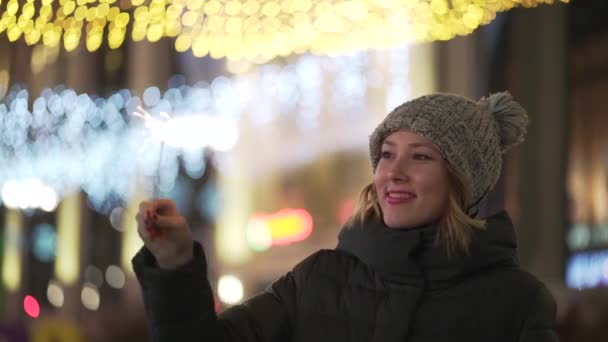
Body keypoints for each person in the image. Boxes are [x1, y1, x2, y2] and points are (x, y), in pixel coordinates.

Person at [133, 92, 558, 342]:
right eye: (387, 154)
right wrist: (174, 266)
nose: (394, 171)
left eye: (422, 156)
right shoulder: (317, 278)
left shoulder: (518, 304)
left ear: (463, 181)